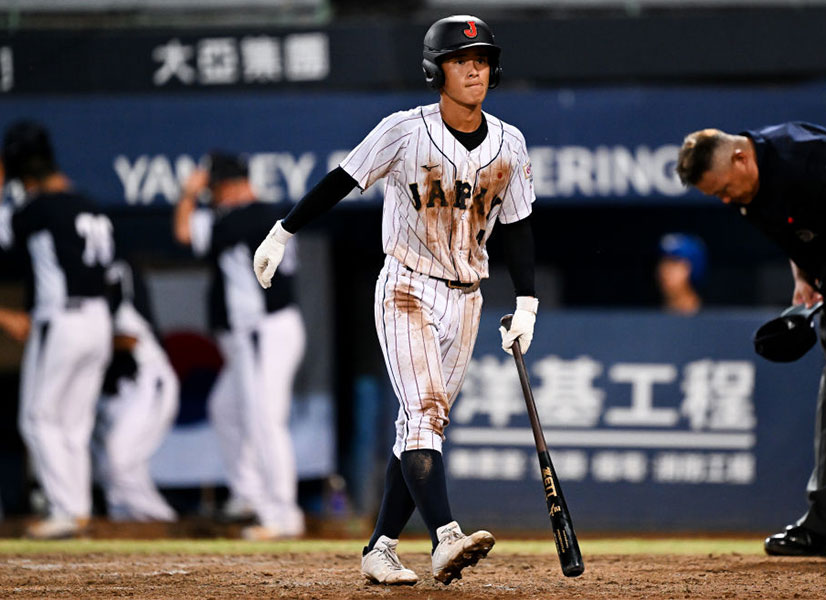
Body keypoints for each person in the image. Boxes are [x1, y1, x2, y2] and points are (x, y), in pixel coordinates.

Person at [253, 14, 538, 585]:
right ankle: (445, 538)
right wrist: (283, 230)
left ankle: (379, 546)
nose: (475, 68)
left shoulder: (510, 141)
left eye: (481, 59)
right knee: (425, 414)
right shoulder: (405, 131)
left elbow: (519, 227)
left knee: (421, 423)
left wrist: (526, 301)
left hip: (468, 296)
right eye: (462, 60)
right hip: (407, 284)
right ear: (437, 70)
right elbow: (342, 178)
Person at [676, 122, 826, 559]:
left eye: (723, 188)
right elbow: (798, 236)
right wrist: (804, 278)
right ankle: (825, 523)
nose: (725, 199)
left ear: (741, 157)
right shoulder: (748, 192)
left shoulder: (803, 154)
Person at [173, 151, 307, 540]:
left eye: (213, 188)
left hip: (264, 331)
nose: (210, 196)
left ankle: (282, 515)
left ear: (225, 186)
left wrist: (187, 194)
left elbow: (184, 232)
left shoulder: (240, 217)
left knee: (265, 420)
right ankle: (249, 496)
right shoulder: (271, 215)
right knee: (226, 408)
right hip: (261, 332)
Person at [0, 120, 114, 539]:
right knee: (73, 424)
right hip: (99, 320)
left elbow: (5, 230)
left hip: (61, 320)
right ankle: (77, 509)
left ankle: (67, 509)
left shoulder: (38, 208)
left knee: (38, 418)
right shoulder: (90, 204)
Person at [92, 259, 179, 523]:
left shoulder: (121, 283)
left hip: (147, 381)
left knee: (118, 458)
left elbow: (129, 339)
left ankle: (163, 521)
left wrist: (84, 338)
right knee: (114, 466)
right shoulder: (89, 305)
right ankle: (126, 524)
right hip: (115, 392)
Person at [656, 232, 707, 315]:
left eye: (674, 262)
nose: (665, 270)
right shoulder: (652, 320)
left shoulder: (711, 318)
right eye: (663, 262)